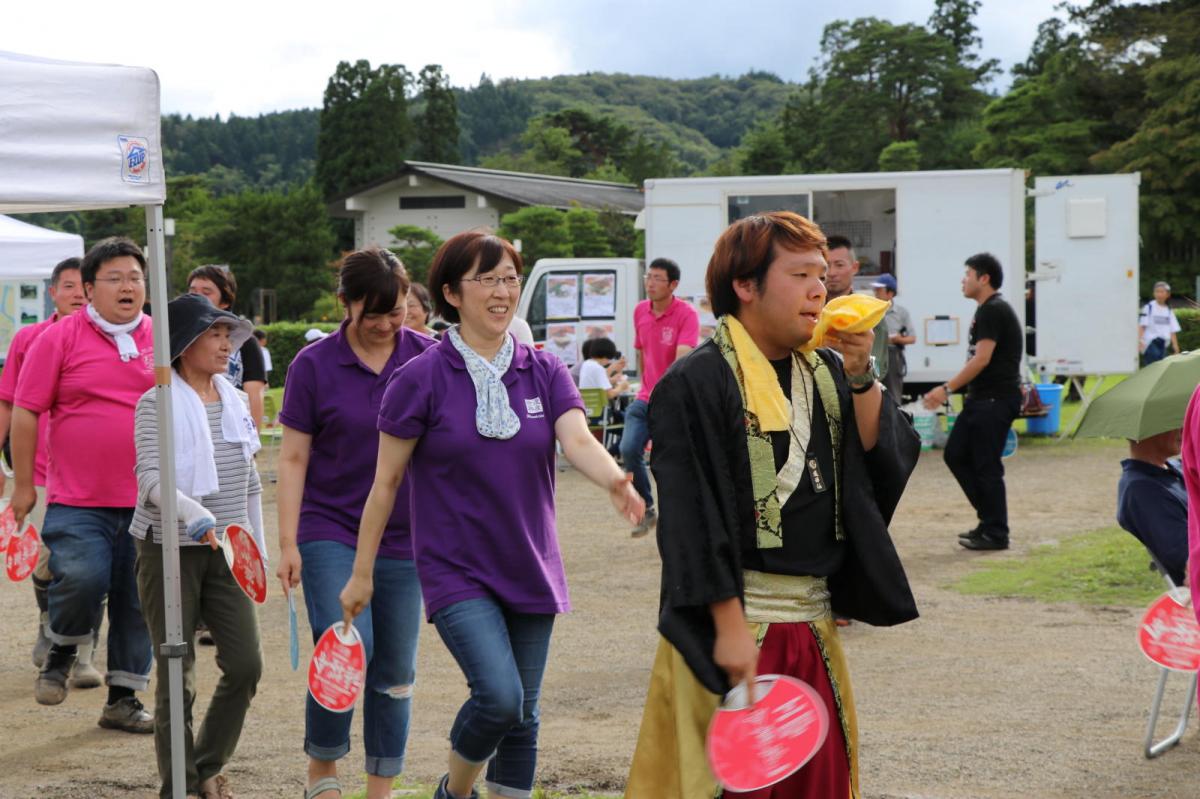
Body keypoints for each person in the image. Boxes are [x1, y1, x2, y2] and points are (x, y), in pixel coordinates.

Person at [339, 231, 643, 799]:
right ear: (452, 293)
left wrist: (615, 479)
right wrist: (361, 573)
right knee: (499, 697)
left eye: (509, 278)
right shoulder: (418, 379)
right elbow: (385, 484)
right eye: (487, 279)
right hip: (456, 569)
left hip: (530, 560)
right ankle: (454, 793)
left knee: (524, 716)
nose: (502, 291)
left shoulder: (544, 370)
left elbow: (577, 442)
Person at [625, 211, 919, 798]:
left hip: (812, 627)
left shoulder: (826, 368)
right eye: (801, 274)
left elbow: (875, 466)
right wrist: (729, 627)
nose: (820, 290)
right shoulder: (696, 381)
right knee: (725, 786)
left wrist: (862, 374)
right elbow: (690, 516)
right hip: (730, 628)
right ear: (745, 285)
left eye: (822, 276)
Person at [276, 248, 435, 799]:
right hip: (331, 529)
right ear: (344, 302)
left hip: (404, 535)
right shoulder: (313, 365)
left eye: (398, 312)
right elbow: (293, 457)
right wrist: (288, 542)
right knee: (344, 646)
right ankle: (323, 771)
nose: (389, 324)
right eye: (375, 313)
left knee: (394, 672)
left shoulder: (428, 357)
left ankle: (380, 788)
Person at [11, 236, 154, 732]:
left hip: (147, 501)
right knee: (83, 579)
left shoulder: (162, 338)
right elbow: (27, 411)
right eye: (114, 278)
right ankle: (62, 649)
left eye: (135, 277)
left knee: (138, 600)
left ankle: (124, 699)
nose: (127, 286)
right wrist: (24, 485)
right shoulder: (60, 337)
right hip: (77, 497)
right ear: (89, 290)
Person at [131, 293, 264, 799]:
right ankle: (180, 787)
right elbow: (149, 479)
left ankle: (204, 764)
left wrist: (258, 549)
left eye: (229, 334)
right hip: (167, 548)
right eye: (215, 334)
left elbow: (250, 479)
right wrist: (192, 514)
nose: (227, 343)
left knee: (247, 665)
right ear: (185, 344)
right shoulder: (156, 402)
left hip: (229, 549)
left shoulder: (232, 398)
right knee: (176, 670)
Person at [0, 257, 103, 687]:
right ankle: (48, 618)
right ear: (53, 293)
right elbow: (9, 402)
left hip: (93, 478)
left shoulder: (118, 339)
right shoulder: (30, 338)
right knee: (50, 562)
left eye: (83, 285)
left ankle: (83, 656)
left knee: (92, 566)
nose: (77, 293)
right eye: (68, 286)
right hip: (40, 471)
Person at [923, 253, 1024, 551]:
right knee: (955, 454)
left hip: (995, 399)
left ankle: (996, 532)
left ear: (984, 278)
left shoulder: (994, 309)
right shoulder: (986, 310)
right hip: (982, 399)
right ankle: (989, 520)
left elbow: (982, 359)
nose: (963, 280)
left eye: (968, 274)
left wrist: (946, 389)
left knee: (985, 465)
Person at [622, 257, 700, 537]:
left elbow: (682, 358)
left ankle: (680, 519)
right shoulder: (640, 311)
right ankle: (648, 508)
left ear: (673, 284)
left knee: (670, 462)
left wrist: (666, 394)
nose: (650, 284)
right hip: (644, 398)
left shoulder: (686, 314)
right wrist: (645, 387)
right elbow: (642, 353)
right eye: (648, 277)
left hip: (672, 401)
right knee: (629, 449)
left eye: (657, 278)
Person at [188, 265, 267, 429]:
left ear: (225, 302)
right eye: (193, 291)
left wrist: (252, 444)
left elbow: (254, 397)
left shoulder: (247, 343)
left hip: (231, 429)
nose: (197, 297)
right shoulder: (181, 340)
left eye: (206, 292)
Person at [1117, 428, 1187, 585]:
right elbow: (1183, 554)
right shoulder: (1141, 489)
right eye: (1173, 424)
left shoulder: (1176, 468)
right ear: (1147, 430)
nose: (1182, 429)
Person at [826, 235, 889, 386]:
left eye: (839, 265)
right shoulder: (808, 311)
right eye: (826, 265)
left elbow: (877, 370)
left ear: (855, 268)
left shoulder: (869, 313)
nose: (831, 272)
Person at [872, 274, 915, 400]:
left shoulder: (901, 313)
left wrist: (897, 339)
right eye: (875, 290)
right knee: (873, 392)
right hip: (873, 354)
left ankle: (894, 419)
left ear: (890, 293)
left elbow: (912, 338)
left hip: (892, 354)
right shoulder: (870, 311)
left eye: (879, 290)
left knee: (893, 394)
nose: (875, 293)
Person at [1139, 281, 1181, 366]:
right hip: (1151, 342)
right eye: (1157, 291)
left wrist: (1175, 345)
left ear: (1168, 294)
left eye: (1162, 292)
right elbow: (1142, 326)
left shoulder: (1168, 311)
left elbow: (1172, 330)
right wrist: (1140, 341)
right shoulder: (1149, 307)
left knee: (1161, 367)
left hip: (1163, 344)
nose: (1159, 294)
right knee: (1153, 367)